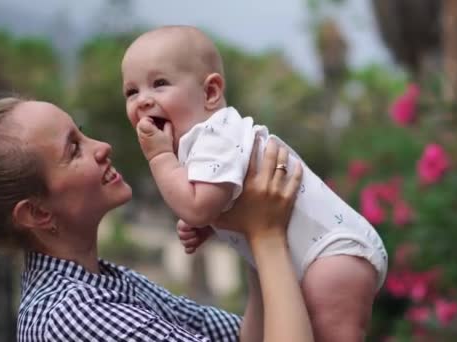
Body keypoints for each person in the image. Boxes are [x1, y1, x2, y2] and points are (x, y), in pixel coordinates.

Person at [0, 97, 314, 342]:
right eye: (74, 148)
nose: (102, 147)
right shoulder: (74, 317)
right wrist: (267, 235)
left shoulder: (109, 282)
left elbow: (238, 336)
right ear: (37, 213)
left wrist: (245, 229)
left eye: (81, 131)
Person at [121, 25, 388, 341]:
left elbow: (196, 207)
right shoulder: (204, 143)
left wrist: (160, 159)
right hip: (311, 253)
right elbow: (225, 200)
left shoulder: (214, 136)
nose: (143, 100)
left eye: (159, 84)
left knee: (331, 332)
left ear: (210, 92)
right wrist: (212, 222)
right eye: (132, 91)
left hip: (333, 251)